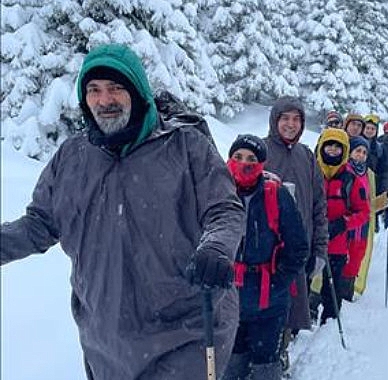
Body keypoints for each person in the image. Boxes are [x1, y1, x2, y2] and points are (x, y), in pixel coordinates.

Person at [0, 43, 245, 379]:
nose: (105, 100)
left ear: (138, 92)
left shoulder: (186, 147)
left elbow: (225, 208)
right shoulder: (72, 158)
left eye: (116, 88)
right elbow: (40, 223)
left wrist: (217, 246)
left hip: (186, 334)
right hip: (106, 343)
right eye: (94, 90)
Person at [223, 135, 308, 380]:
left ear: (261, 164)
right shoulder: (217, 191)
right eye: (238, 157)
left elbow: (298, 246)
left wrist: (278, 282)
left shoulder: (276, 194)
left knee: (265, 364)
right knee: (232, 360)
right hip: (228, 297)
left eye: (251, 159)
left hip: (268, 300)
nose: (244, 163)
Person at [262, 96, 328, 372]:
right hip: (262, 254)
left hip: (296, 253)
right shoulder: (260, 150)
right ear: (275, 121)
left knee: (288, 312)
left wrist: (320, 250)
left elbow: (318, 206)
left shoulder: (307, 156)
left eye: (296, 119)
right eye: (285, 118)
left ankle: (280, 357)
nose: (290, 124)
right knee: (260, 313)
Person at [314, 129, 370, 324]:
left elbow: (363, 211)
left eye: (338, 147)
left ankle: (328, 324)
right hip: (311, 241)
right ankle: (297, 325)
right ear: (321, 146)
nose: (332, 149)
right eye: (329, 144)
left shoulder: (350, 179)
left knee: (332, 288)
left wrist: (343, 223)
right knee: (302, 286)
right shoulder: (312, 172)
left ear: (344, 150)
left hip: (337, 244)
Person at [341, 136, 371, 301]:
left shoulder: (367, 174)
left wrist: (386, 199)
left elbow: (369, 205)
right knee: (341, 265)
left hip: (362, 230)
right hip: (345, 228)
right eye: (358, 151)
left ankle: (347, 296)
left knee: (355, 263)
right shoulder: (344, 172)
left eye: (364, 152)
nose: (361, 155)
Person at [362, 114, 388, 232]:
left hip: (374, 185)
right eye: (367, 128)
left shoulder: (379, 148)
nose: (369, 131)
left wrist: (383, 188)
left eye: (372, 129)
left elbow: (384, 170)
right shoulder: (355, 143)